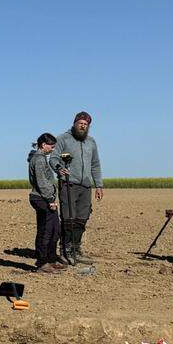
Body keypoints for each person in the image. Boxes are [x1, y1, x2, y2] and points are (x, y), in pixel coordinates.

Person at [54, 111, 103, 265]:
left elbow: (95, 164)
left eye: (86, 124)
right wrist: (58, 168)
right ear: (75, 123)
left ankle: (76, 249)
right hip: (69, 184)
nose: (83, 126)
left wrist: (99, 185)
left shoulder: (91, 142)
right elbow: (54, 157)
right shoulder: (63, 138)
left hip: (86, 186)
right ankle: (65, 250)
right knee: (68, 218)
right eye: (80, 123)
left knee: (82, 219)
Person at [28, 133, 66, 273]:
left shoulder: (42, 158)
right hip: (41, 198)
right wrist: (50, 199)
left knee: (55, 229)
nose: (52, 149)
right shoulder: (38, 159)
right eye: (51, 146)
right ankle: (42, 263)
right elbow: (42, 182)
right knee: (45, 231)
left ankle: (51, 259)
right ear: (43, 145)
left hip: (46, 198)